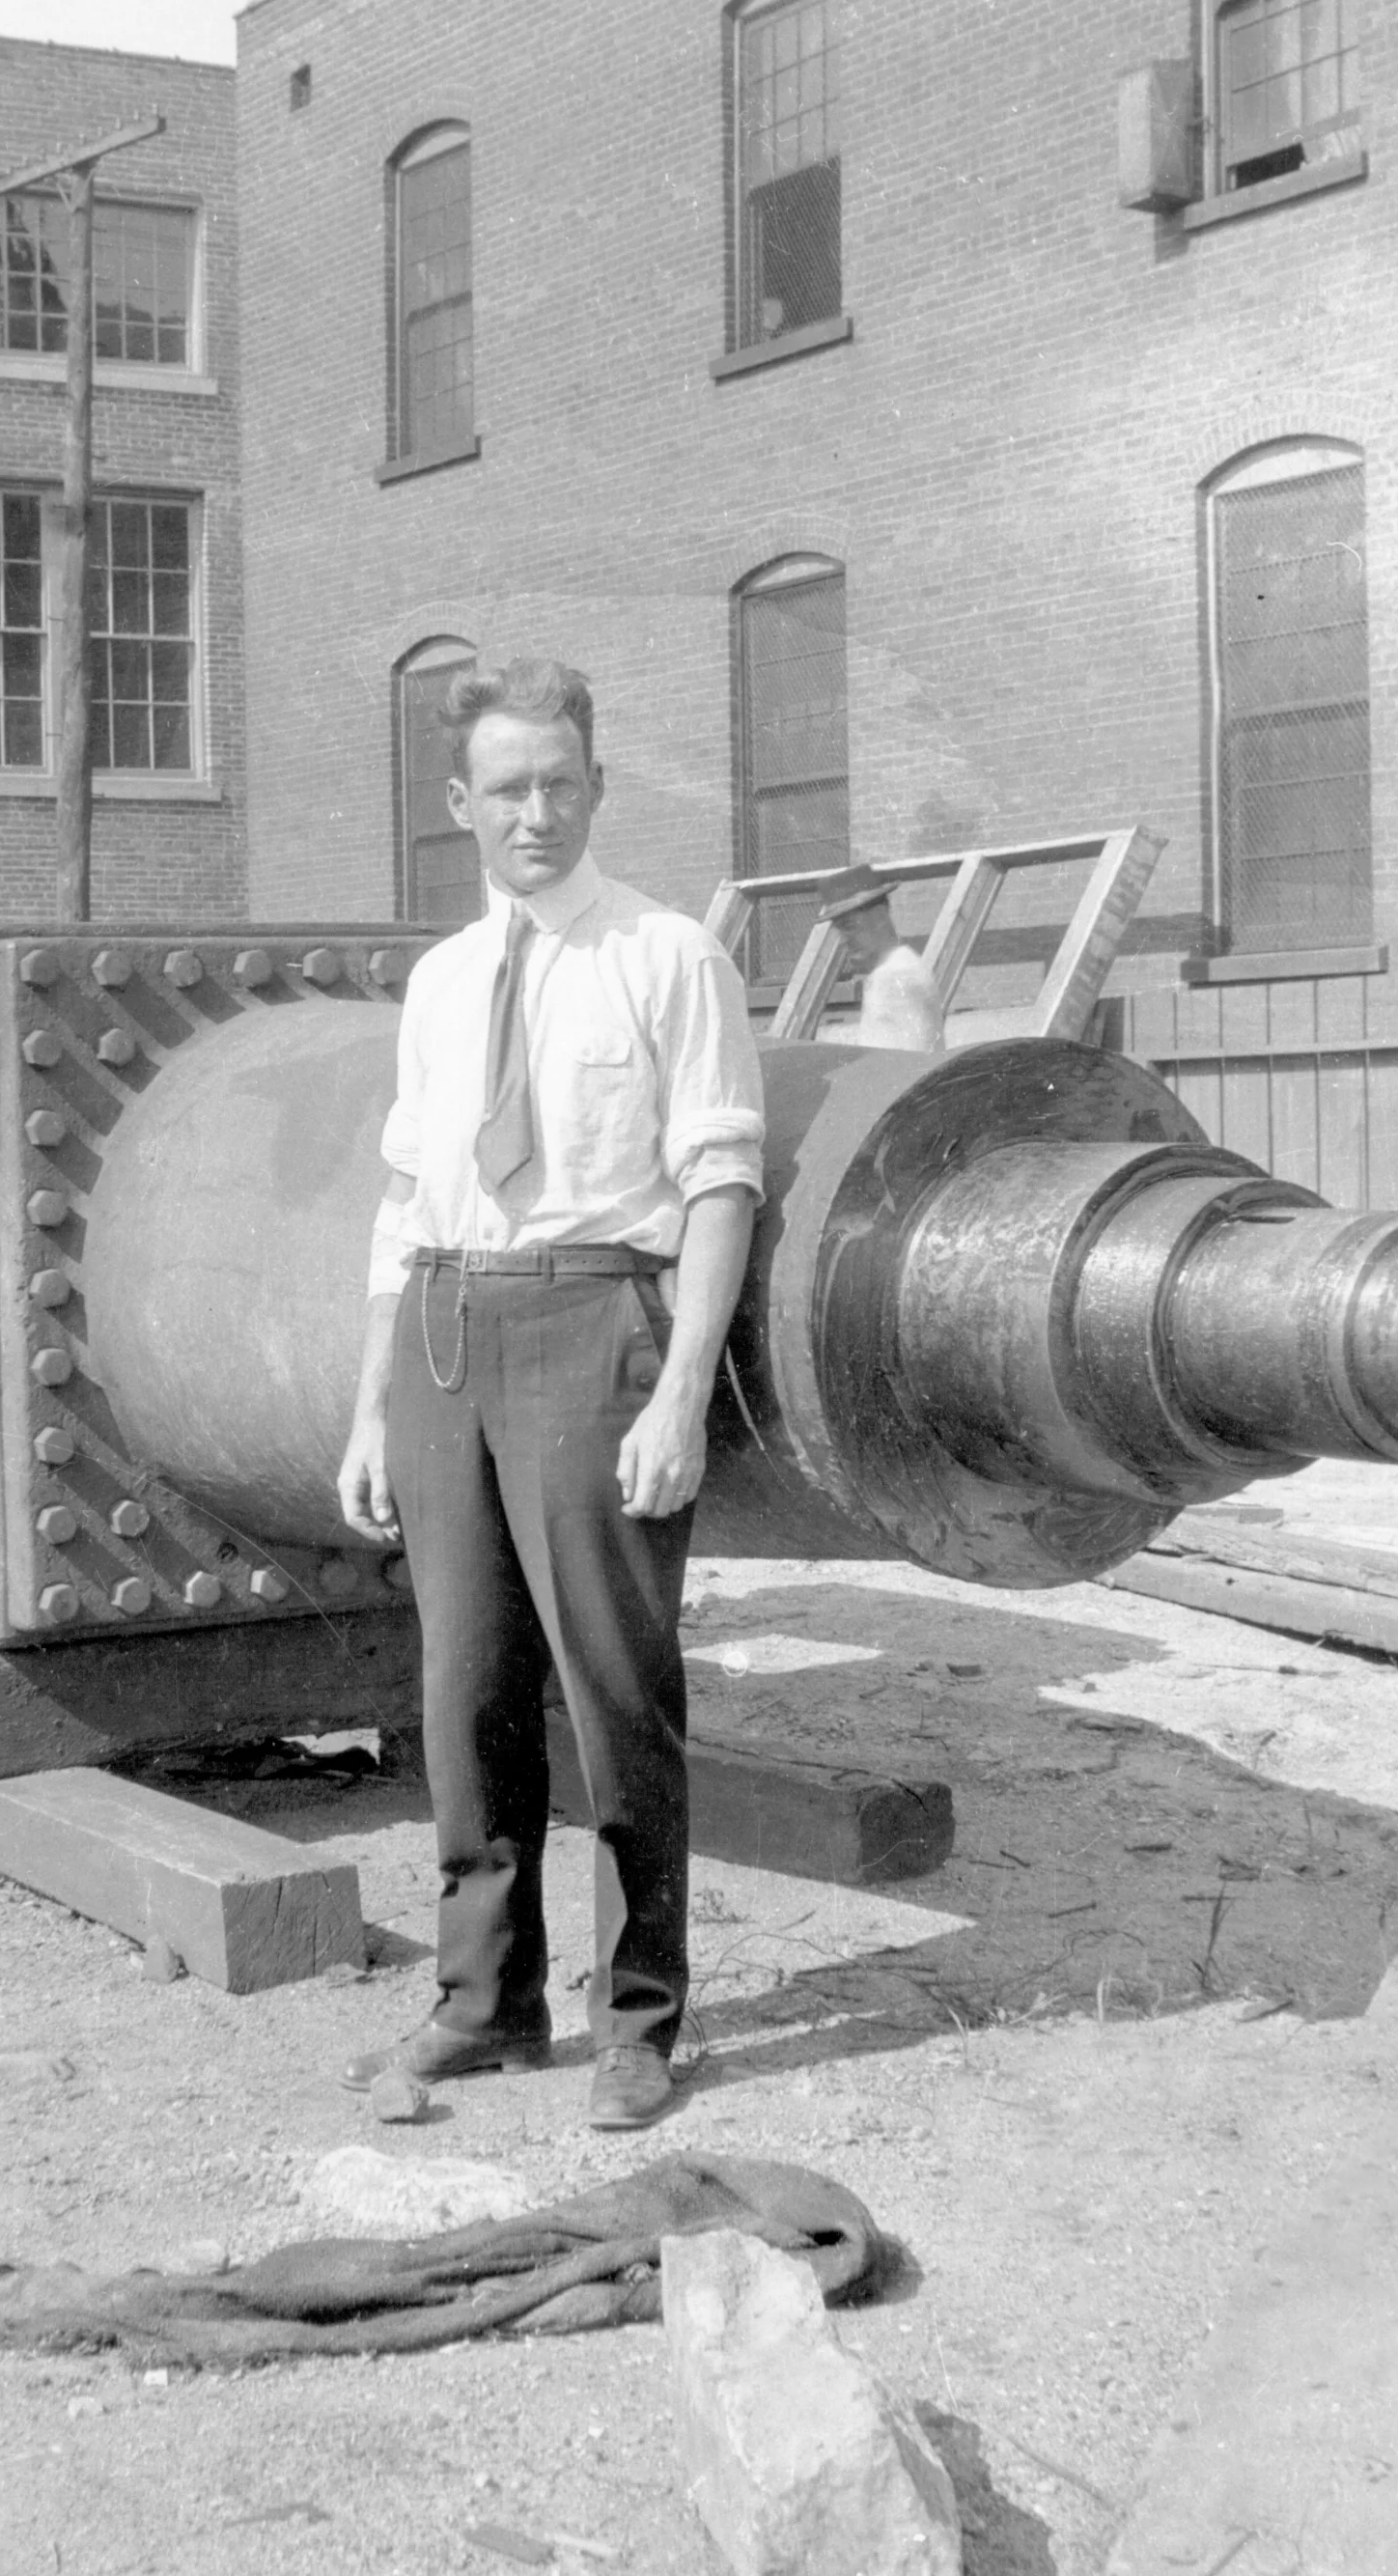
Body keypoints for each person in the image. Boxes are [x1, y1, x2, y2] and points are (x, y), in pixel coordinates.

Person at [335, 658, 765, 2132]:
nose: (538, 812)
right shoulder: (444, 981)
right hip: (447, 1334)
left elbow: (719, 1184)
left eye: (562, 783)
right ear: (461, 805)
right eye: (508, 788)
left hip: (597, 1325)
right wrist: (367, 1408)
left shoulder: (666, 956)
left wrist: (678, 1393)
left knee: (616, 1692)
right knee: (465, 1694)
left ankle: (638, 2016)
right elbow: (407, 1204)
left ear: (597, 786)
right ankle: (486, 2003)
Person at [819, 864, 944, 1053]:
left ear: (879, 917)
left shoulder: (896, 975)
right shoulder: (893, 968)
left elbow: (912, 1066)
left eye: (850, 926)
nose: (844, 939)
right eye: (840, 930)